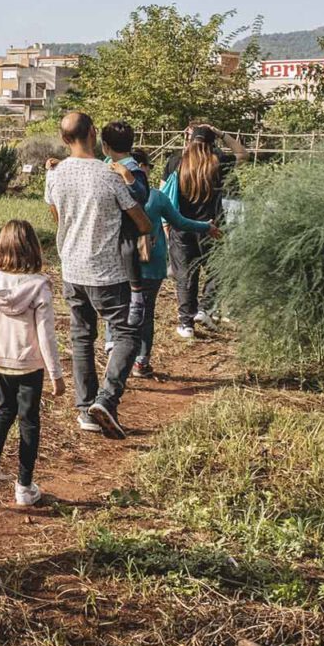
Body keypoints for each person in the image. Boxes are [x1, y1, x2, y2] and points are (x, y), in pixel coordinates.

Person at [41, 111, 151, 439]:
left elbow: (56, 215)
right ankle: (106, 398)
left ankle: (84, 408)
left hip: (72, 268)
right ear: (92, 132)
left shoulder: (56, 174)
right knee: (129, 335)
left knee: (81, 338)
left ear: (64, 139)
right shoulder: (109, 175)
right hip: (109, 272)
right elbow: (142, 222)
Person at [102, 127, 211, 382]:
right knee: (145, 313)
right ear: (142, 168)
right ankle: (141, 361)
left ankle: (113, 348)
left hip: (120, 262)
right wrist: (207, 226)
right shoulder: (157, 198)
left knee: (119, 309)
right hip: (150, 266)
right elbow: (182, 222)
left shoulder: (113, 195)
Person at [0, 219, 60, 507]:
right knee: (29, 421)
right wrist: (56, 374)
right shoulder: (38, 286)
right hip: (28, 364)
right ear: (33, 248)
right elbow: (45, 333)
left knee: (2, 410)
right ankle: (24, 486)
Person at [164, 126, 228, 339]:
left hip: (181, 227)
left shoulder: (176, 162)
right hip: (212, 228)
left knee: (185, 275)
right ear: (212, 144)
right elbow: (243, 154)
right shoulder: (218, 162)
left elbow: (165, 195)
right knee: (219, 270)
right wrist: (220, 133)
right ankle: (205, 308)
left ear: (189, 141)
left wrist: (166, 228)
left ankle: (186, 323)